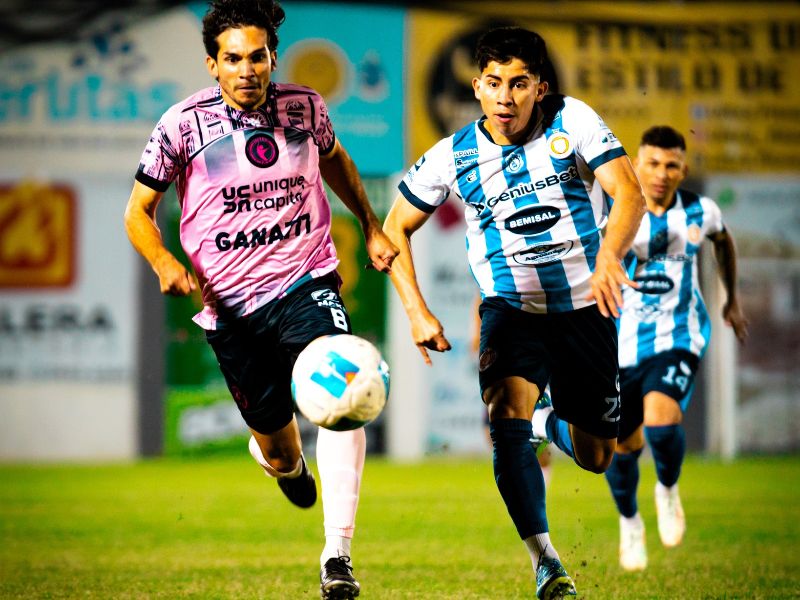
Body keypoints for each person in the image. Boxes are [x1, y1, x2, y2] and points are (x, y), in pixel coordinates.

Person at [123, 1, 398, 597]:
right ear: (212, 64)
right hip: (230, 310)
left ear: (273, 58)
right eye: (232, 59)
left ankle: (337, 555)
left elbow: (336, 162)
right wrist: (164, 260)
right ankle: (284, 462)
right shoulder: (181, 125)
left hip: (306, 279)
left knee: (344, 388)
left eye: (257, 57)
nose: (246, 69)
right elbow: (138, 212)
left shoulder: (304, 108)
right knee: (280, 446)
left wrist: (371, 225)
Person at [383, 26, 645, 599]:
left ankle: (549, 422)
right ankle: (546, 561)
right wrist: (417, 311)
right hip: (511, 310)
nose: (506, 97)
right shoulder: (453, 156)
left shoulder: (571, 120)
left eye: (519, 84)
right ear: (476, 87)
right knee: (506, 417)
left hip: (586, 308)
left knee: (599, 456)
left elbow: (628, 192)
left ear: (540, 87)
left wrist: (608, 259)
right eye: (494, 83)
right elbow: (394, 228)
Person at [603, 126, 748, 571]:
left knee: (661, 424)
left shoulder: (701, 211)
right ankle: (630, 523)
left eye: (671, 165)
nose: (661, 173)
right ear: (636, 165)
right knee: (621, 449)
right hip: (620, 346)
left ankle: (667, 490)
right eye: (652, 163)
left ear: (684, 169)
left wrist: (731, 298)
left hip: (680, 336)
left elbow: (723, 242)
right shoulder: (614, 212)